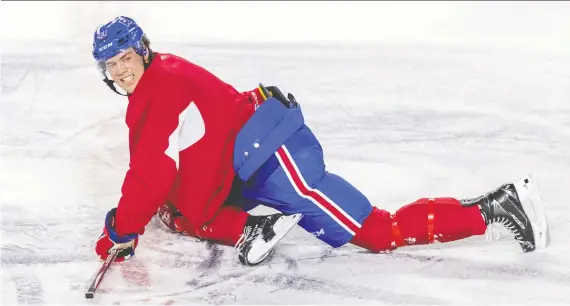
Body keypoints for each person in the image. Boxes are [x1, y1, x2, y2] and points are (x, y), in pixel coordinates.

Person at [92, 16, 550, 266]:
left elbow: (151, 171)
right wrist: (140, 216)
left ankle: (494, 209)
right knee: (177, 211)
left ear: (144, 50)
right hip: (247, 158)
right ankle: (253, 228)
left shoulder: (157, 89)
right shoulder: (160, 76)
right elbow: (167, 167)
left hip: (275, 156)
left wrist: (121, 229)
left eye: (125, 58)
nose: (120, 71)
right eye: (110, 65)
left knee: (377, 232)